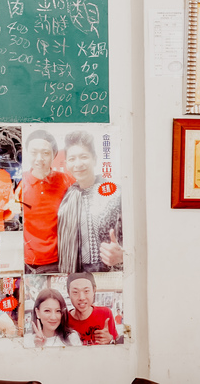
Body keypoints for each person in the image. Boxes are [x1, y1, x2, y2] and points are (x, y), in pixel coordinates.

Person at [56, 130, 123, 273]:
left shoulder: (115, 192)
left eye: (84, 157)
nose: (78, 164)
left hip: (111, 272)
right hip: (78, 273)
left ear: (95, 159)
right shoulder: (67, 197)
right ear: (67, 163)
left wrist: (123, 255)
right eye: (72, 159)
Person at [19, 130, 76, 273]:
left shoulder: (66, 180)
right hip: (29, 262)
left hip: (60, 260)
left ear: (54, 155)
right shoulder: (21, 183)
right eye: (34, 152)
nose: (39, 158)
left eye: (45, 153)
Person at [66, 272, 118, 345]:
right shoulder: (64, 320)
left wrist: (110, 339)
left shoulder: (105, 313)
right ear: (68, 293)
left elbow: (118, 345)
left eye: (86, 291)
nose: (81, 297)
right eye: (75, 292)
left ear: (94, 290)